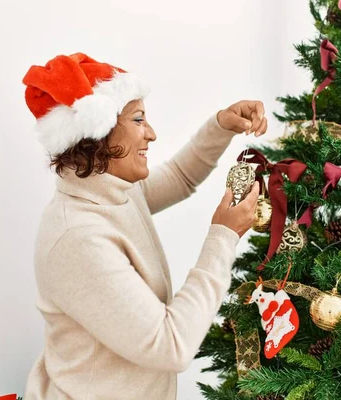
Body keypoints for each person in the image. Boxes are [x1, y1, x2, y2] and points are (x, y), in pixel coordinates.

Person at [21, 53, 268, 399]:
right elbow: (171, 345)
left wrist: (221, 126)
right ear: (99, 133)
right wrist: (223, 237)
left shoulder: (110, 191)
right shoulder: (78, 238)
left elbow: (179, 177)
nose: (151, 134)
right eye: (138, 120)